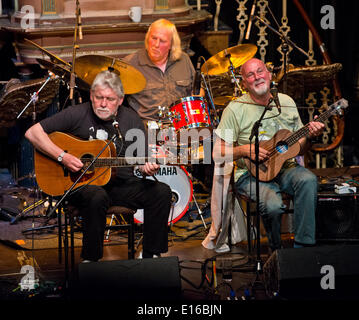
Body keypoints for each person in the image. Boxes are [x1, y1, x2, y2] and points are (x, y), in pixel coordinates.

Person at [25, 70, 172, 261]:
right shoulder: (77, 114)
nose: (103, 104)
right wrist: (63, 157)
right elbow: (32, 133)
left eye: (110, 99)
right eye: (98, 97)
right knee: (97, 196)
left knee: (161, 191)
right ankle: (91, 261)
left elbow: (141, 163)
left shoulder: (132, 120)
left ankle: (151, 256)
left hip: (121, 186)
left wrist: (146, 168)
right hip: (81, 185)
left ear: (120, 100)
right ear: (91, 96)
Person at [211, 58, 325, 252]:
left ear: (270, 75)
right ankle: (277, 253)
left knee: (308, 180)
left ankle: (303, 249)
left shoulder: (286, 102)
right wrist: (245, 150)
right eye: (250, 75)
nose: (257, 77)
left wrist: (311, 137)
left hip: (285, 167)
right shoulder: (234, 109)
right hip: (249, 173)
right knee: (273, 204)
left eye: (260, 71)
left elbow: (299, 147)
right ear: (244, 83)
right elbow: (217, 153)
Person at [123, 18, 196, 122]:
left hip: (181, 125)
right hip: (147, 128)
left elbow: (197, 90)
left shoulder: (184, 60)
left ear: (171, 45)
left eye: (162, 41)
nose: (156, 45)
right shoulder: (130, 63)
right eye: (153, 38)